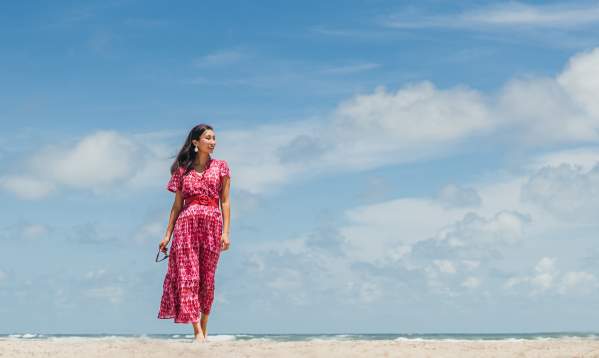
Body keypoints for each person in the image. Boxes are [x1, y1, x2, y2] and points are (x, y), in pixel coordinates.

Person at [157, 123, 231, 343]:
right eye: (208, 138)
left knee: (207, 280)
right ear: (195, 142)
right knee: (189, 278)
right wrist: (167, 235)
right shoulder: (182, 170)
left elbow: (225, 202)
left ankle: (205, 328)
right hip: (186, 226)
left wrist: (226, 232)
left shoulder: (221, 167)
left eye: (214, 138)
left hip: (212, 224)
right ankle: (197, 331)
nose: (213, 142)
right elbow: (177, 205)